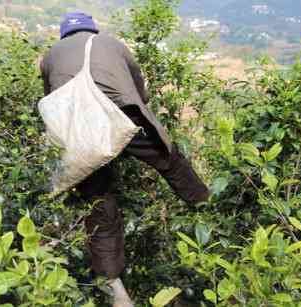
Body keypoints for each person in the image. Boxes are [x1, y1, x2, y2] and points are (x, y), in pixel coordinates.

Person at [40, 12, 209, 306]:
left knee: (99, 201)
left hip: (80, 128)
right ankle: (206, 206)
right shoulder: (112, 43)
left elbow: (51, 101)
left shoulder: (50, 56)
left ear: (63, 35)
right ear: (93, 29)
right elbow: (139, 92)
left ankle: (116, 290)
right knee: (169, 160)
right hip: (123, 113)